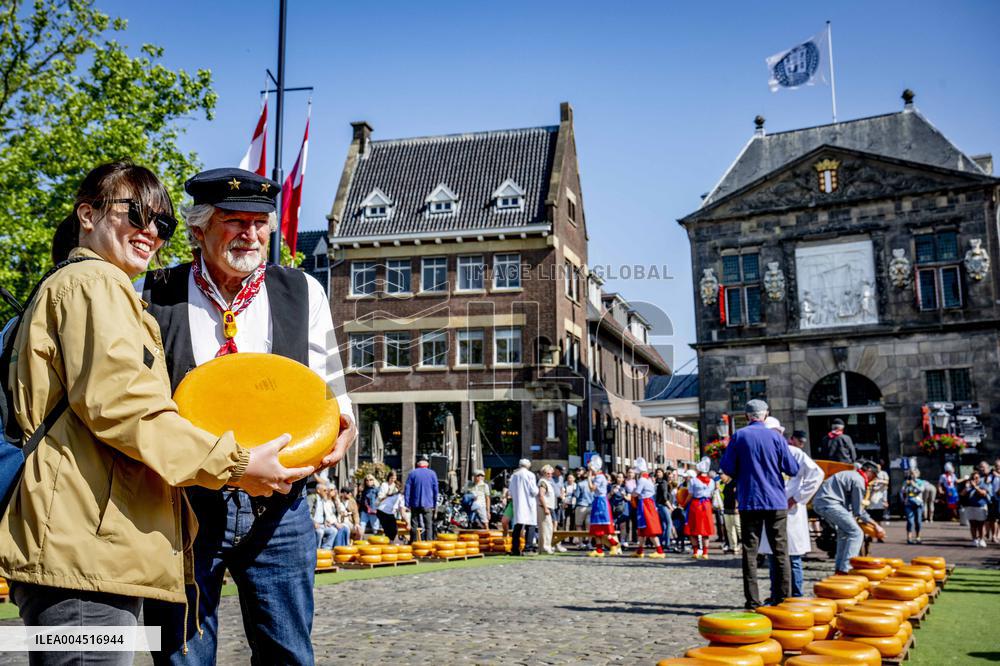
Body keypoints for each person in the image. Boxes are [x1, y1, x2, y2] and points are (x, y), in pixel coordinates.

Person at [0, 162, 307, 665]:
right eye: (136, 213)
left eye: (161, 224)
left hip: (92, 546)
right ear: (86, 214)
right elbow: (126, 409)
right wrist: (236, 464)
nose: (150, 232)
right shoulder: (93, 286)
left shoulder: (88, 284)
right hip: (85, 552)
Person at [140, 167, 357, 664]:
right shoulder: (149, 294)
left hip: (279, 512)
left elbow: (332, 397)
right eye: (234, 221)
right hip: (183, 511)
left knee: (288, 654)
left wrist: (343, 428)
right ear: (198, 230)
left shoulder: (305, 291)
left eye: (260, 223)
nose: (251, 234)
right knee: (181, 655)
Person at [719, 399, 800, 609]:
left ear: (747, 416)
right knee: (780, 550)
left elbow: (727, 467)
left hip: (750, 499)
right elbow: (792, 469)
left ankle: (752, 601)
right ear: (766, 415)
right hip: (775, 500)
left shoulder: (739, 436)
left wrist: (743, 471)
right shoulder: (776, 437)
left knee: (750, 552)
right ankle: (783, 599)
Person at [759, 419, 824, 600]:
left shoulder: (795, 453)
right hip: (770, 508)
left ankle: (796, 595)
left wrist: (796, 498)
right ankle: (776, 594)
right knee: (773, 555)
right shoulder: (762, 454)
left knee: (793, 555)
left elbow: (817, 474)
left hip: (790, 510)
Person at [812, 461, 885, 574]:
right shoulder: (859, 481)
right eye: (874, 476)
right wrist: (875, 525)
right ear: (869, 471)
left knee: (844, 533)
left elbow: (850, 508)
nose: (874, 479)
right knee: (856, 533)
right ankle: (846, 569)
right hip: (830, 504)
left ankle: (839, 569)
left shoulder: (850, 474)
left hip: (823, 503)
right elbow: (858, 511)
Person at [630, 459, 665, 558]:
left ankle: (660, 551)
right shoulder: (649, 480)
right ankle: (639, 551)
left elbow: (637, 493)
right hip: (649, 503)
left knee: (649, 528)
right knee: (643, 529)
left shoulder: (642, 480)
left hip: (645, 504)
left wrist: (631, 494)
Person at [586, 455, 619, 556]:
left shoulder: (599, 477)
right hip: (599, 501)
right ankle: (599, 549)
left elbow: (592, 488)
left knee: (602, 526)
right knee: (597, 528)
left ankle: (614, 544)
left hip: (600, 501)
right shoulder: (600, 476)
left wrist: (588, 477)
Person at [685, 458, 716, 559]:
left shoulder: (693, 480)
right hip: (706, 504)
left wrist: (684, 503)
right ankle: (705, 553)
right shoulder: (711, 481)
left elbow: (690, 494)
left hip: (696, 504)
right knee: (705, 530)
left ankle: (695, 551)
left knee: (693, 528)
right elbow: (711, 494)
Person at [405, 455, 439, 542]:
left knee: (414, 524)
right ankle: (429, 543)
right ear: (427, 464)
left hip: (415, 503)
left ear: (417, 463)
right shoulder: (432, 473)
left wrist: (407, 503)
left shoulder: (412, 473)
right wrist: (435, 504)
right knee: (428, 525)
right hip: (428, 503)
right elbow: (436, 491)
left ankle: (413, 543)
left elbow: (407, 489)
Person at [509, 459, 539, 556]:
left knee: (517, 525)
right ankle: (528, 548)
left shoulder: (514, 476)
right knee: (530, 525)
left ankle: (515, 548)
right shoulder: (530, 475)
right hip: (528, 502)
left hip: (518, 503)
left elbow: (510, 491)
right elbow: (534, 490)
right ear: (528, 466)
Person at [961, 470, 992, 548]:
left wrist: (975, 487)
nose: (975, 479)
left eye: (977, 478)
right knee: (972, 524)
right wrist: (967, 487)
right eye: (973, 478)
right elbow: (962, 494)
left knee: (981, 525)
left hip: (980, 507)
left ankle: (981, 539)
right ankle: (974, 539)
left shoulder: (983, 484)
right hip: (970, 507)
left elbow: (983, 493)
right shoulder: (968, 486)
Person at [376, 471, 404, 543]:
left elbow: (399, 499)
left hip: (391, 511)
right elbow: (380, 497)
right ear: (388, 478)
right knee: (387, 529)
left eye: (394, 478)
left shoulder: (396, 486)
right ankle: (386, 543)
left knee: (393, 529)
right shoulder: (384, 485)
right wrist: (388, 495)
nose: (393, 480)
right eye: (391, 478)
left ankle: (390, 543)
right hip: (382, 509)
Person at [900, 469, 926, 544]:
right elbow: (901, 492)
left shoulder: (920, 482)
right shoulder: (906, 482)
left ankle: (918, 537)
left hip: (918, 504)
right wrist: (903, 499)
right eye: (911, 474)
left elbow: (922, 490)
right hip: (908, 504)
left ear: (918, 474)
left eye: (914, 474)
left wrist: (914, 484)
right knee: (910, 521)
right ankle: (909, 538)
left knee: (918, 521)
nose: (912, 475)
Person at [536, 465, 557, 554]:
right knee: (546, 528)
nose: (550, 475)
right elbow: (541, 496)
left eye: (551, 473)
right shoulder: (543, 482)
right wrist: (545, 508)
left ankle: (543, 548)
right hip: (544, 507)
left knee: (547, 528)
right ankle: (545, 548)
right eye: (548, 473)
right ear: (544, 473)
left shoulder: (547, 482)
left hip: (547, 507)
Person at [721, 475, 741, 555]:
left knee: (738, 528)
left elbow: (737, 495)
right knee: (729, 529)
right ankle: (733, 547)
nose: (721, 478)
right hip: (726, 508)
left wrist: (737, 506)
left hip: (734, 509)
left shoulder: (734, 483)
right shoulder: (725, 484)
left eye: (722, 476)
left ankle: (745, 544)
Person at [654, 468, 673, 548]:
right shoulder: (664, 483)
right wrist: (670, 507)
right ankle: (667, 543)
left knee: (664, 524)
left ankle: (662, 542)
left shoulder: (659, 483)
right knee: (669, 523)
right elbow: (664, 497)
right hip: (663, 505)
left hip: (659, 505)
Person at [574, 469, 594, 536]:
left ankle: (581, 543)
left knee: (579, 525)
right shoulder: (593, 484)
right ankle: (589, 542)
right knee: (589, 526)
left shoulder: (580, 484)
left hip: (581, 505)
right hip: (591, 506)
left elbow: (577, 495)